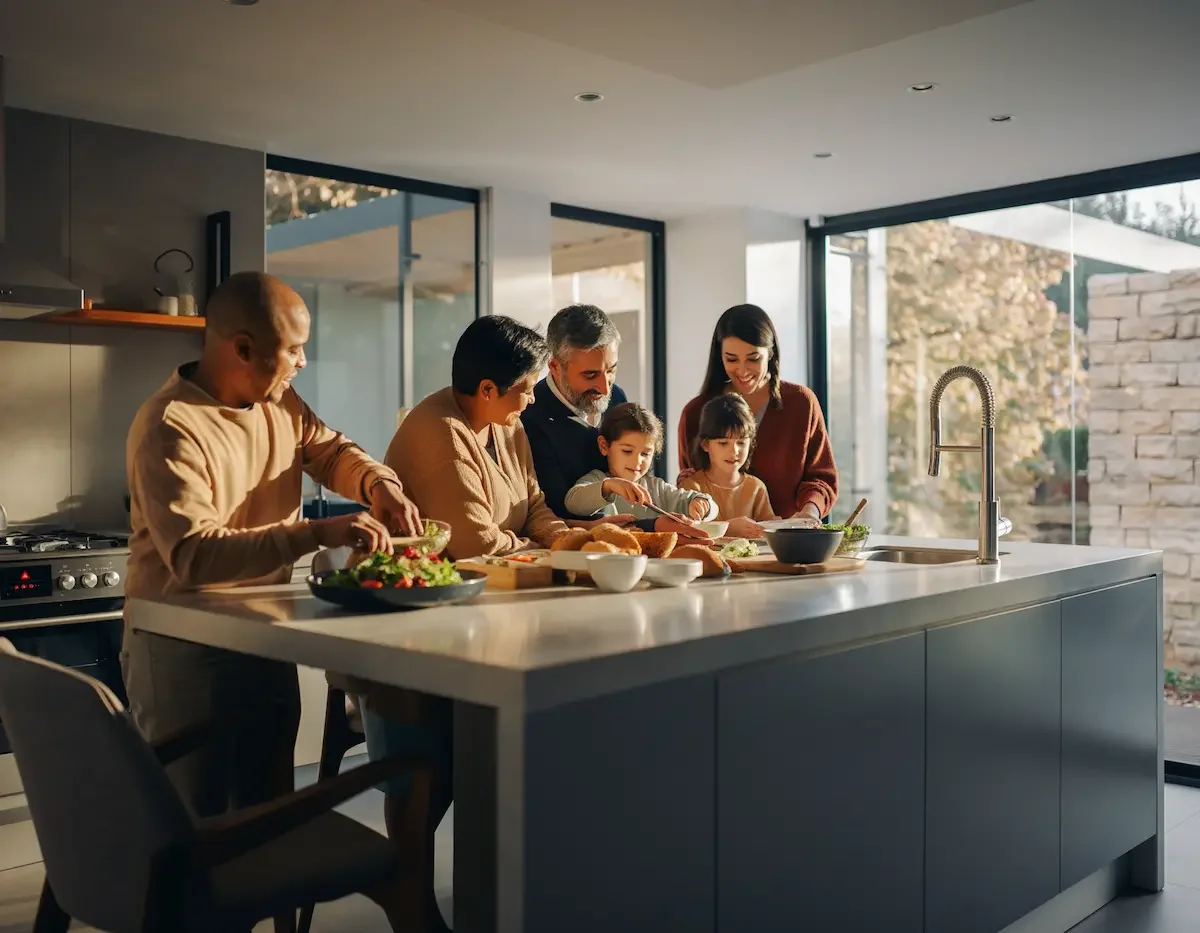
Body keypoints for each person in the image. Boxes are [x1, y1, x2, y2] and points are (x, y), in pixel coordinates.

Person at [353, 316, 570, 933]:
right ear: (485, 388)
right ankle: (410, 900)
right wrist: (539, 546)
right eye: (526, 388)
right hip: (413, 623)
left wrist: (567, 536)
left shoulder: (507, 423)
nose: (533, 398)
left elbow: (532, 508)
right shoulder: (437, 432)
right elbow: (475, 542)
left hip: (479, 612)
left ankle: (503, 897)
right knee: (434, 759)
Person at [524, 303, 708, 540]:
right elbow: (555, 510)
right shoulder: (532, 417)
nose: (604, 386)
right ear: (555, 366)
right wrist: (650, 526)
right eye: (590, 375)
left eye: (611, 370)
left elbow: (637, 475)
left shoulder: (616, 397)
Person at [678, 304, 838, 523]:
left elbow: (820, 478)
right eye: (732, 359)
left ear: (770, 354)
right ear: (719, 357)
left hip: (788, 541)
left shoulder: (801, 403)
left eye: (754, 359)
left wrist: (809, 513)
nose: (743, 371)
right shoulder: (696, 412)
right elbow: (690, 488)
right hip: (718, 547)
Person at [565, 402, 717, 523]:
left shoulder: (656, 488)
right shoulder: (598, 480)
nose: (637, 461)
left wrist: (703, 504)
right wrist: (609, 486)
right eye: (627, 451)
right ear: (604, 446)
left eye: (645, 453)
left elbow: (708, 505)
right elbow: (573, 503)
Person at [679, 394, 778, 538]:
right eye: (723, 443)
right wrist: (729, 528)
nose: (734, 451)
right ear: (705, 445)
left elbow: (769, 534)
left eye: (741, 443)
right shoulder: (692, 487)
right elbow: (688, 532)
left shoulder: (756, 488)